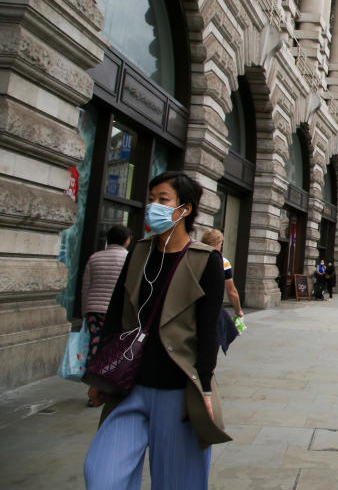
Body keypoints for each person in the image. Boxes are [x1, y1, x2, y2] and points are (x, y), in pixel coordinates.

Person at [84, 172, 231, 489]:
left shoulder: (206, 261)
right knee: (102, 476)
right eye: (151, 198)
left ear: (185, 209)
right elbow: (115, 316)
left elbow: (208, 330)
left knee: (177, 482)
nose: (154, 206)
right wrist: (98, 372)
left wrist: (204, 386)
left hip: (177, 393)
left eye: (163, 199)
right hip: (128, 387)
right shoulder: (138, 252)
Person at [81, 225, 132, 366]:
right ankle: (106, 372)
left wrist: (84, 311)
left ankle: (91, 372)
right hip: (116, 311)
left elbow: (86, 287)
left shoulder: (94, 258)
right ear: (127, 241)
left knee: (95, 342)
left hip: (94, 309)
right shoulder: (129, 259)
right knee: (113, 344)